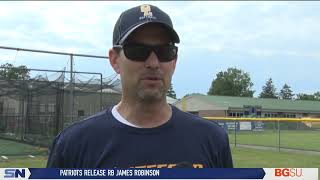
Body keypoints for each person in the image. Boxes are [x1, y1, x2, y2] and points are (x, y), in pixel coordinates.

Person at [47, 4, 233, 168]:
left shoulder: (212, 139)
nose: (153, 62)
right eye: (138, 51)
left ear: (174, 60)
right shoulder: (74, 145)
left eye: (164, 52)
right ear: (114, 60)